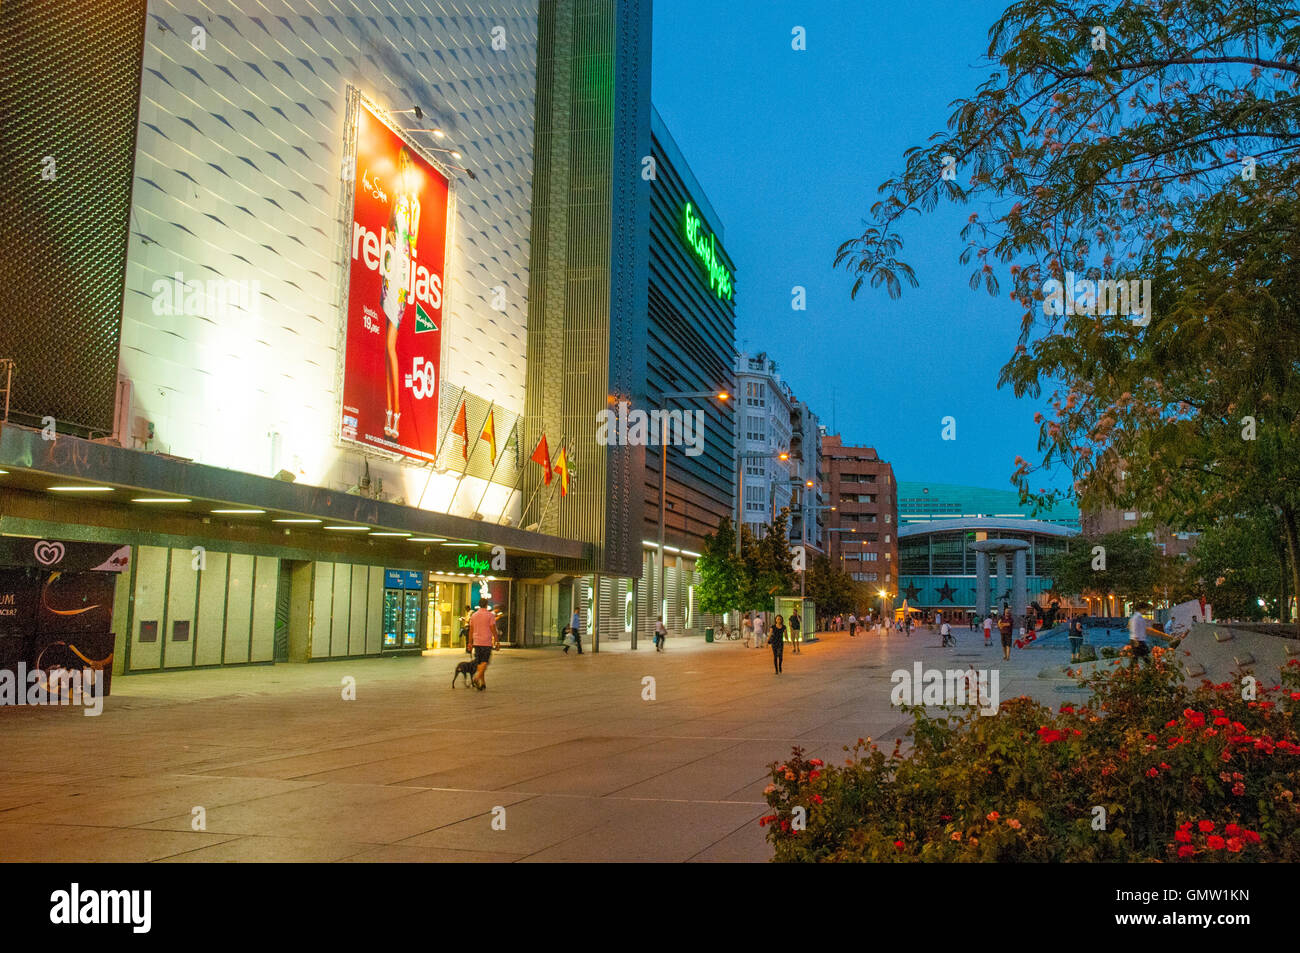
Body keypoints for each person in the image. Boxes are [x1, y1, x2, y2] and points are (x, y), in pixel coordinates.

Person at [381, 148, 421, 441]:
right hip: (390, 264)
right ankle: (388, 412)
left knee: (390, 343)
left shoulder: (414, 204)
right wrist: (392, 235)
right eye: (401, 164)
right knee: (385, 347)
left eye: (406, 164)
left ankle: (397, 414)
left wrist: (403, 238)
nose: (403, 169)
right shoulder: (396, 199)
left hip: (403, 270)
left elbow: (414, 241)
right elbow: (388, 228)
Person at [469, 600, 496, 690]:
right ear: (486, 605)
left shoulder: (474, 615)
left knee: (480, 662)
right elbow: (493, 627)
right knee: (485, 661)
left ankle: (483, 682)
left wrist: (470, 642)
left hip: (476, 642)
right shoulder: (490, 615)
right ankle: (477, 678)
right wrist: (497, 640)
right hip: (486, 642)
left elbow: (471, 630)